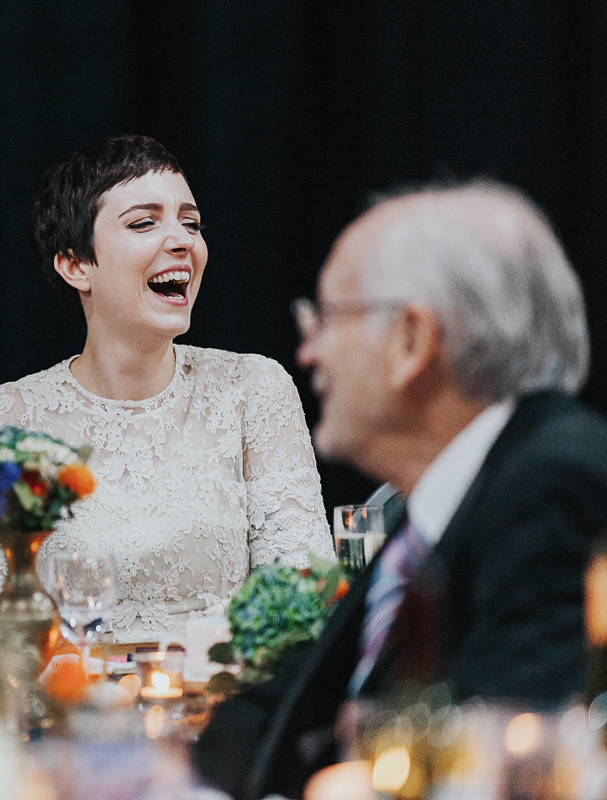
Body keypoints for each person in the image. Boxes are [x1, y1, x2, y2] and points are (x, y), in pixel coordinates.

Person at [193, 180, 607, 800]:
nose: (307, 352)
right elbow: (284, 706)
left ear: (412, 339)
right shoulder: (441, 501)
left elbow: (499, 770)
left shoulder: (550, 483)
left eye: (326, 318)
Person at [0, 136, 331, 644]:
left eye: (192, 223)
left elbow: (302, 597)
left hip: (222, 700)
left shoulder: (253, 389)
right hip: (71, 708)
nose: (183, 241)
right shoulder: (4, 417)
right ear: (75, 265)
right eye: (144, 222)